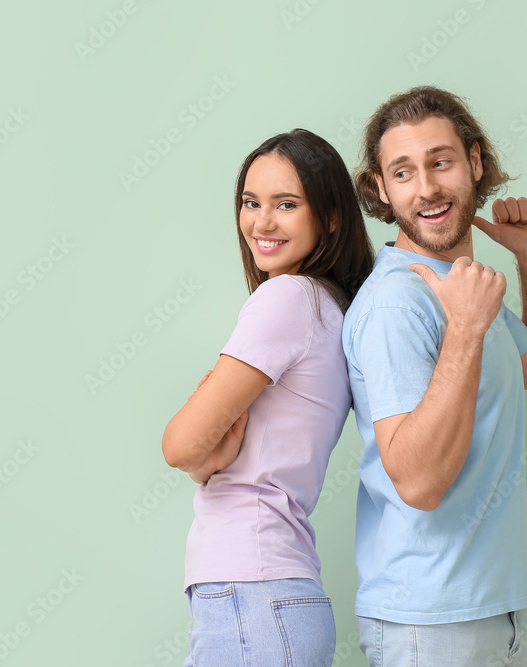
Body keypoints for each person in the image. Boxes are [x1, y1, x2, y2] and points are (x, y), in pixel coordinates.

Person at [343, 86, 527, 666]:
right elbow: (417, 484)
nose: (426, 188)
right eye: (403, 172)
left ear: (474, 162)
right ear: (380, 189)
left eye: (440, 161)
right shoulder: (399, 302)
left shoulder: (464, 285)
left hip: (495, 610)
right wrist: (465, 331)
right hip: (432, 622)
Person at [162, 128, 375, 666]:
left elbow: (183, 446)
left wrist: (206, 453)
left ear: (330, 217)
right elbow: (205, 452)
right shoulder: (330, 305)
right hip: (270, 595)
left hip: (251, 593)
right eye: (251, 203)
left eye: (286, 204)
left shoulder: (285, 298)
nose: (261, 222)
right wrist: (210, 453)